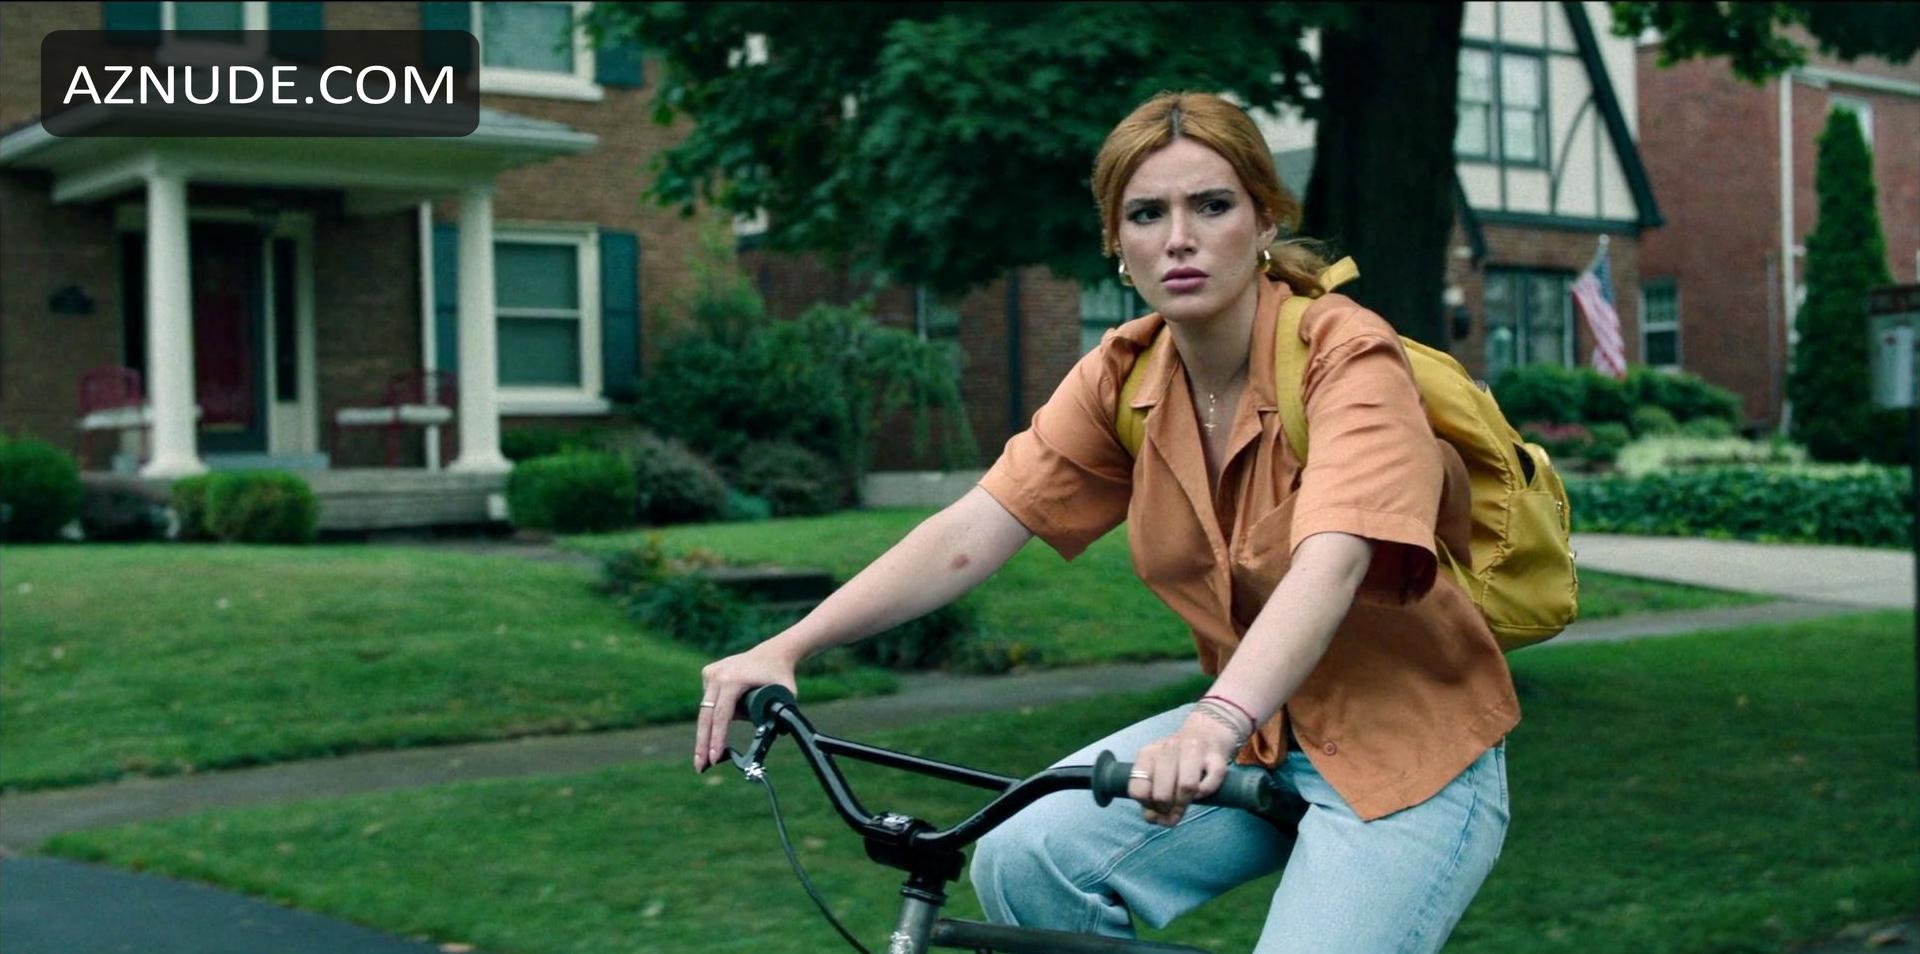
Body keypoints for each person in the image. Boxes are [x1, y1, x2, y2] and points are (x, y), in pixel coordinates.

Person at [694, 90, 1519, 953]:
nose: (1179, 238)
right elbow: (976, 527)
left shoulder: (1346, 357)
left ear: (1266, 221)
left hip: (1408, 753)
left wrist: (1215, 722)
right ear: (1117, 243)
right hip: (1264, 738)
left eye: (1212, 205)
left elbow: (1333, 561)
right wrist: (790, 645)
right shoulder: (1124, 377)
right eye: (1147, 214)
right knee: (1026, 857)